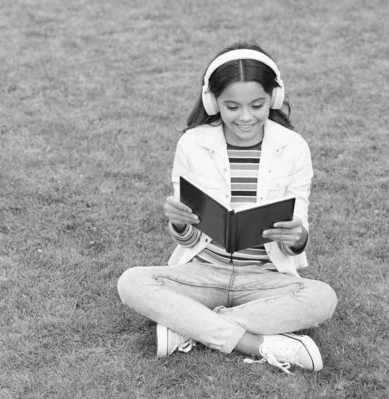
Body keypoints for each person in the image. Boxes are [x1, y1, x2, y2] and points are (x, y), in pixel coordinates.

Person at [117, 42, 337, 374]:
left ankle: (188, 326)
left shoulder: (293, 148)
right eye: (232, 106)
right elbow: (188, 241)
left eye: (257, 105)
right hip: (204, 272)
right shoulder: (193, 143)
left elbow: (298, 233)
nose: (245, 117)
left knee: (322, 298)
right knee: (131, 282)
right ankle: (254, 343)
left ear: (273, 98)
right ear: (212, 101)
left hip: (263, 278)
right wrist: (180, 225)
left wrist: (297, 236)